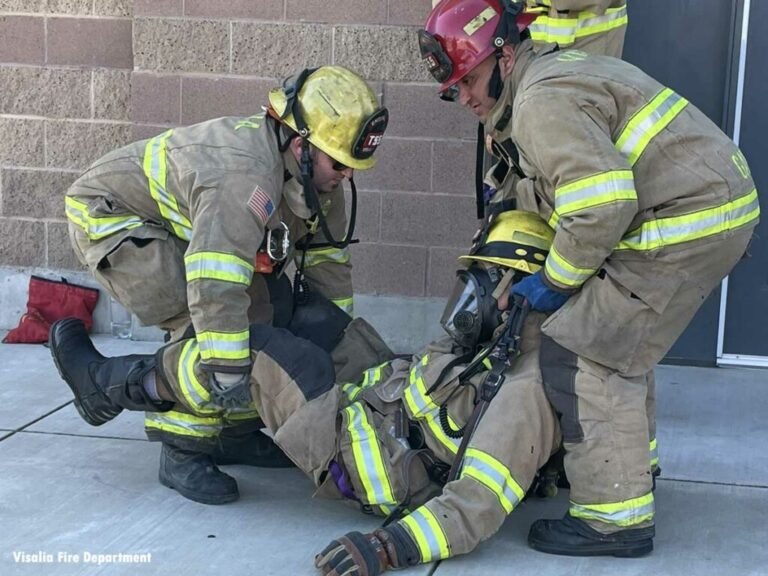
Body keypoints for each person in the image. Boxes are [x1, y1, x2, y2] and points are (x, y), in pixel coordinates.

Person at [418, 0, 760, 557]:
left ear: (504, 57)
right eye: (454, 89)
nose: (465, 98)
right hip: (708, 210)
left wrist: (553, 281)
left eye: (471, 80)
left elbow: (601, 205)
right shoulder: (549, 75)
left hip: (685, 222)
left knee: (583, 347)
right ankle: (631, 468)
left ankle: (614, 519)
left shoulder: (538, 103)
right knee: (624, 342)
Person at [52, 210, 566, 574]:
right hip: (385, 404)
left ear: (514, 291)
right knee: (306, 313)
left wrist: (388, 547)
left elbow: (475, 505)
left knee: (252, 349)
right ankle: (220, 420)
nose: (468, 297)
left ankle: (112, 385)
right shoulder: (496, 345)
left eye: (481, 281)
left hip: (374, 457)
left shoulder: (524, 391)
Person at [51, 65, 391, 505]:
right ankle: (176, 445)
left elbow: (328, 265)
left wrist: (329, 339)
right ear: (302, 145)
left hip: (190, 232)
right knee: (214, 335)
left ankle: (233, 434)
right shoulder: (245, 175)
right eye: (339, 162)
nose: (346, 174)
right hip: (116, 220)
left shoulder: (318, 180)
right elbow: (214, 281)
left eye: (352, 165)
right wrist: (228, 372)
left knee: (267, 317)